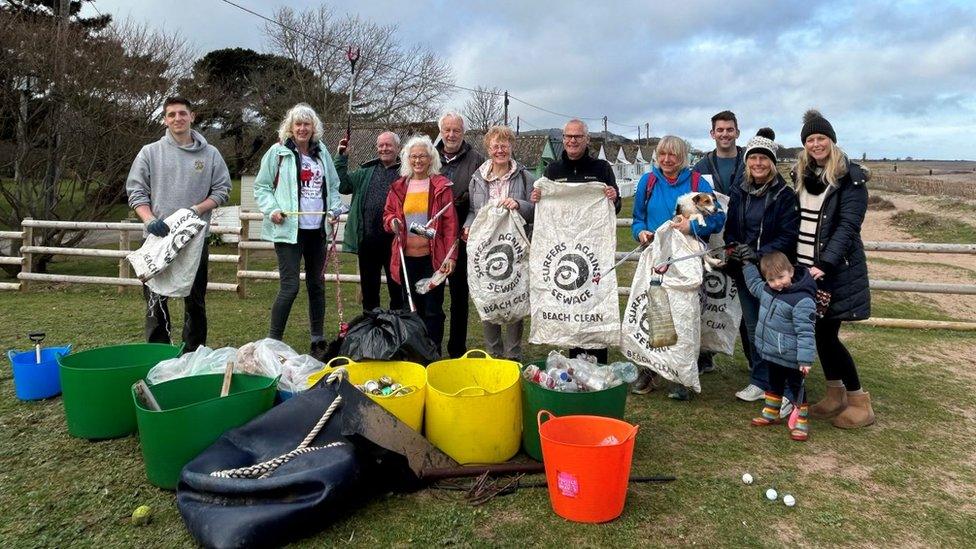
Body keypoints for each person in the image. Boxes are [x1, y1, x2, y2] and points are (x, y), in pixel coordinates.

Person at [126, 96, 231, 352]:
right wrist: (149, 219)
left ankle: (193, 353)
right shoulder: (150, 153)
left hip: (194, 240)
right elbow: (136, 191)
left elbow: (222, 189)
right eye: (171, 114)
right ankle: (157, 352)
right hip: (157, 239)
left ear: (192, 116)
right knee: (155, 301)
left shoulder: (210, 154)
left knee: (195, 301)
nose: (177, 119)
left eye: (182, 113)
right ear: (164, 119)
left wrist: (196, 210)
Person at [792, 110, 874, 429]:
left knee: (828, 336)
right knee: (819, 334)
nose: (816, 144)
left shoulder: (850, 177)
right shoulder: (803, 175)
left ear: (832, 140)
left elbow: (848, 226)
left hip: (834, 270)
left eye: (821, 138)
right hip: (806, 269)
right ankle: (835, 393)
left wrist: (824, 264)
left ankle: (858, 400)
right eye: (810, 139)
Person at [630, 135, 726, 399]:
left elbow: (718, 217)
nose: (667, 160)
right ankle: (649, 371)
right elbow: (638, 219)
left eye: (673, 155)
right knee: (656, 313)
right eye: (662, 154)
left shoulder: (697, 183)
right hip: (657, 257)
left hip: (687, 259)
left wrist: (691, 226)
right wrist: (641, 234)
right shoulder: (648, 182)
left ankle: (682, 376)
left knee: (685, 317)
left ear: (683, 157)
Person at [253, 103, 342, 358]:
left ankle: (317, 339)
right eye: (298, 124)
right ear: (290, 127)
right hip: (288, 230)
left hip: (317, 231)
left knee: (317, 285)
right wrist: (272, 209)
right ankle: (273, 341)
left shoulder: (322, 153)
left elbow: (333, 187)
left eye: (307, 124)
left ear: (314, 128)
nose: (302, 128)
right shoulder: (278, 152)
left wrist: (335, 210)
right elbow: (262, 187)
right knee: (289, 287)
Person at [531, 118, 621, 364]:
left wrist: (613, 197)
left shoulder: (601, 168)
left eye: (578, 137)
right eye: (568, 136)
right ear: (563, 138)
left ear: (586, 139)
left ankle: (598, 363)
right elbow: (544, 204)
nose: (572, 141)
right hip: (563, 248)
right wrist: (539, 197)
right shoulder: (552, 171)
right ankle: (574, 364)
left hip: (592, 248)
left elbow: (617, 206)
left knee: (592, 298)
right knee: (569, 301)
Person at [724, 128, 800, 410]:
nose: (757, 163)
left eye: (763, 159)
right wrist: (735, 249)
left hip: (772, 269)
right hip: (745, 268)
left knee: (778, 329)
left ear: (772, 162)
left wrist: (758, 253)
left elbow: (788, 234)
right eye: (753, 158)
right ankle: (760, 380)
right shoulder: (739, 191)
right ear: (747, 161)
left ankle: (786, 387)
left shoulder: (784, 194)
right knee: (754, 326)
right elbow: (731, 228)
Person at [462, 125, 537, 362]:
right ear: (489, 148)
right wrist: (468, 225)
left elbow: (535, 210)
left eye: (504, 145)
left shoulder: (525, 176)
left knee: (514, 296)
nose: (500, 150)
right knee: (489, 296)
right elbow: (474, 211)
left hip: (514, 247)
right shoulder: (477, 179)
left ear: (511, 147)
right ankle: (493, 353)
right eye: (495, 146)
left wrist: (519, 204)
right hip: (486, 249)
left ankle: (513, 355)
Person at [384, 134, 458, 356]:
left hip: (432, 260)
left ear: (431, 158)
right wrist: (392, 222)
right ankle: (413, 353)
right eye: (413, 156)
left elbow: (449, 226)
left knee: (433, 311)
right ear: (407, 159)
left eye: (422, 156)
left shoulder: (441, 187)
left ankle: (433, 354)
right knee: (409, 310)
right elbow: (387, 215)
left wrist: (450, 258)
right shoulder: (398, 186)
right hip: (405, 261)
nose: (418, 161)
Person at [736, 249, 816, 441]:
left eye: (781, 277)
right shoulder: (767, 290)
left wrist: (805, 360)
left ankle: (800, 422)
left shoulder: (802, 300)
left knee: (797, 389)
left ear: (790, 271)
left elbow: (806, 332)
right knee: (774, 384)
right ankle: (771, 413)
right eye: (771, 280)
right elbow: (754, 285)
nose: (777, 283)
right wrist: (747, 265)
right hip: (772, 353)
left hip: (792, 357)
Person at [692, 110, 747, 375]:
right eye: (720, 130)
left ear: (737, 131)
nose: (725, 134)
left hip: (743, 235)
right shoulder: (701, 168)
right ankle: (705, 353)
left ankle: (756, 360)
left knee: (745, 295)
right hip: (711, 236)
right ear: (712, 133)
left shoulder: (751, 162)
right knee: (710, 293)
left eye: (729, 129)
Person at [334, 131, 404, 312]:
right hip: (368, 241)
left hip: (396, 243)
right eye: (380, 145)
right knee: (369, 292)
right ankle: (371, 330)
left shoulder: (406, 173)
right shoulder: (365, 172)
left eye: (388, 145)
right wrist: (342, 158)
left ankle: (398, 331)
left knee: (398, 291)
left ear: (398, 148)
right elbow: (343, 185)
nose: (384, 148)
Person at [435, 112, 485, 358]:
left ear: (463, 133)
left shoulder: (476, 159)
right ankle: (431, 347)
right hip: (433, 238)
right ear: (441, 131)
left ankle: (456, 349)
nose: (451, 135)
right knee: (432, 296)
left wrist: (458, 205)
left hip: (463, 235)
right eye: (447, 130)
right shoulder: (430, 156)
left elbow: (480, 195)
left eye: (456, 130)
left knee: (459, 296)